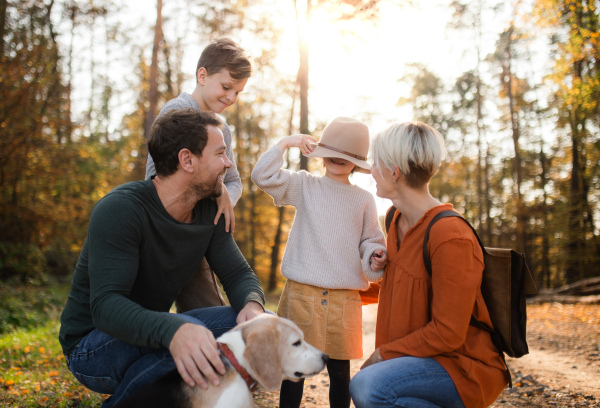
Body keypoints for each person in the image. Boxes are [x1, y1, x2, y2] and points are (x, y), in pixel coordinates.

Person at [59, 108, 266, 408]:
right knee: (191, 346)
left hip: (148, 334)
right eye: (220, 153)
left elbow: (237, 274)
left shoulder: (209, 210)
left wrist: (252, 305)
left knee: (263, 329)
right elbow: (106, 307)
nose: (228, 163)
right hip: (91, 346)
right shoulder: (121, 210)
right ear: (187, 160)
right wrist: (175, 330)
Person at [349, 121, 509, 408]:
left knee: (368, 386)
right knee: (370, 383)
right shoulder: (395, 219)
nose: (371, 170)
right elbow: (399, 285)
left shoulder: (451, 236)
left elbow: (448, 332)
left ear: (394, 172)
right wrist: (337, 293)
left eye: (376, 163)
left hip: (460, 368)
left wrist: (384, 355)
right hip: (418, 360)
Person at [251, 117, 388, 408]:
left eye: (348, 155)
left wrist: (374, 256)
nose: (339, 159)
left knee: (340, 374)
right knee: (294, 370)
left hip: (344, 301)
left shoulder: (364, 200)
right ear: (322, 156)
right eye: (334, 152)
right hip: (302, 295)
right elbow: (262, 176)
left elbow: (371, 241)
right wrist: (286, 143)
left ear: (357, 163)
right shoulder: (304, 185)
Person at [145, 37, 251, 311]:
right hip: (169, 230)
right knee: (153, 307)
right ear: (202, 75)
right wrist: (218, 189)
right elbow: (156, 175)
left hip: (201, 232)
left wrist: (225, 196)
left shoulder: (222, 128)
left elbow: (234, 180)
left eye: (238, 92)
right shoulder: (176, 114)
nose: (231, 98)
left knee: (204, 306)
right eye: (227, 87)